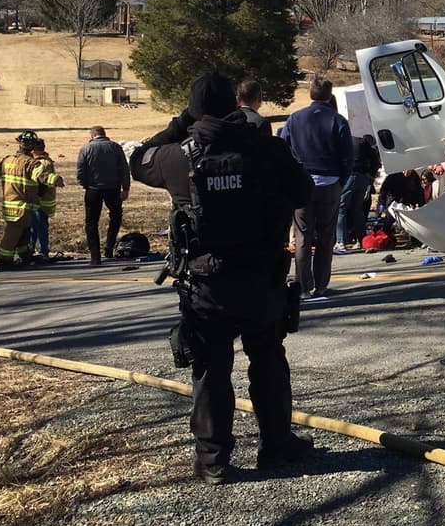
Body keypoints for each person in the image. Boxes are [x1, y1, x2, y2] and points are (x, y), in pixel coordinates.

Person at [131, 72, 315, 485]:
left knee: (211, 368)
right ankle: (276, 445)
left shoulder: (178, 156)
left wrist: (183, 122)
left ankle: (212, 460)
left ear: (193, 110)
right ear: (235, 104)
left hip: (206, 285)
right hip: (260, 278)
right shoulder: (267, 149)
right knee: (267, 359)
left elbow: (138, 159)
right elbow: (303, 192)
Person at [278, 77, 353, 300]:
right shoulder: (338, 120)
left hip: (302, 183)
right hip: (330, 182)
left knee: (302, 236)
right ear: (329, 96)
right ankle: (321, 284)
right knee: (326, 236)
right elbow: (347, 157)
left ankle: (303, 286)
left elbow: (283, 150)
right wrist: (341, 180)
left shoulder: (294, 119)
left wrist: (291, 179)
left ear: (310, 94)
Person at [0, 131, 45, 270]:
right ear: (33, 146)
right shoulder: (31, 163)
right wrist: (54, 179)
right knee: (13, 234)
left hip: (10, 205)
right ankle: (5, 261)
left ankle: (26, 256)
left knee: (23, 232)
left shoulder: (7, 160)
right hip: (21, 207)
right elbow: (42, 176)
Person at [76, 126, 131, 266]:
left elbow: (80, 170)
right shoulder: (115, 147)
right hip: (113, 189)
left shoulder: (86, 148)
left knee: (91, 222)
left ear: (92, 135)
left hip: (93, 189)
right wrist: (125, 188)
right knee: (116, 216)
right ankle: (109, 246)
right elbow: (124, 168)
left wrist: (84, 184)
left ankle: (95, 256)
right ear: (104, 134)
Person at [336, 133, 381, 250]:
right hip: (363, 178)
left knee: (341, 208)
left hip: (349, 176)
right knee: (357, 209)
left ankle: (340, 241)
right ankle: (362, 240)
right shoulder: (361, 142)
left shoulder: (340, 143)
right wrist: (371, 175)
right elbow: (375, 159)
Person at [27, 137, 65, 261]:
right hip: (45, 201)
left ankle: (37, 251)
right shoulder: (47, 161)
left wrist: (35, 197)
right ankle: (41, 251)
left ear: (34, 150)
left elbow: (41, 183)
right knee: (41, 227)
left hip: (40, 201)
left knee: (36, 228)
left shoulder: (41, 163)